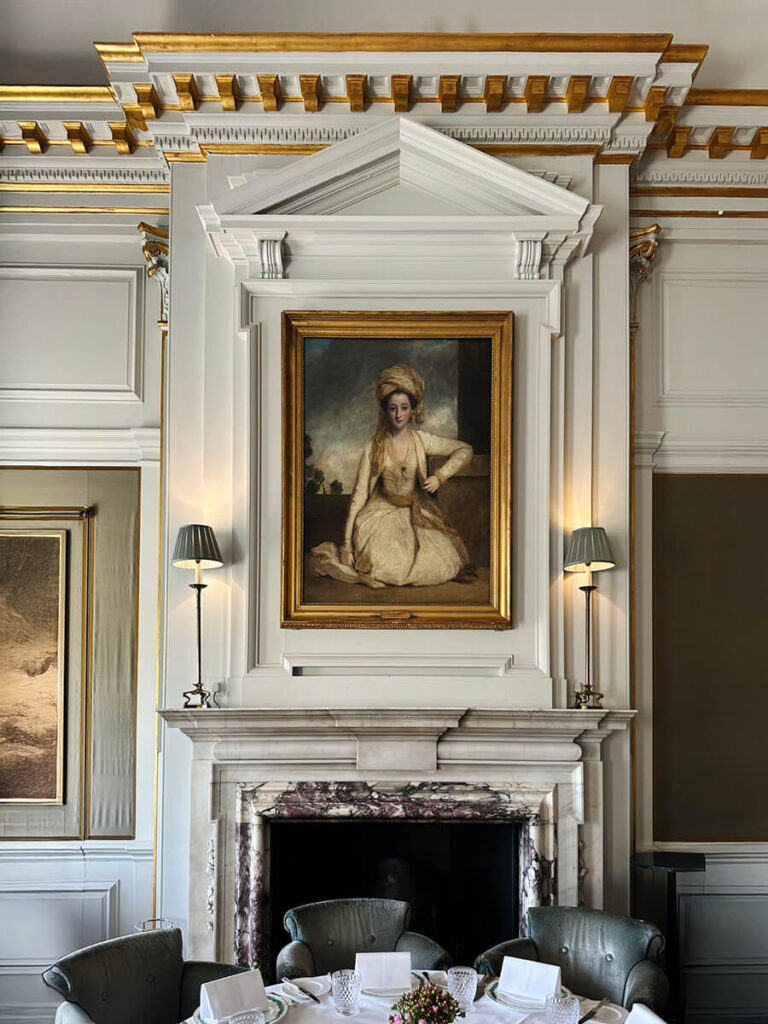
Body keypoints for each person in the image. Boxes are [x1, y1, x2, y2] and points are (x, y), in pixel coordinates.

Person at [310, 364, 476, 589]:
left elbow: (465, 450)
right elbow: (359, 496)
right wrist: (347, 545)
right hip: (381, 515)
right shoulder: (374, 445)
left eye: (404, 408)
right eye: (393, 408)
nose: (398, 414)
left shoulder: (421, 439)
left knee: (437, 565)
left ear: (413, 410)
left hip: (414, 512)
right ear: (385, 411)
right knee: (385, 565)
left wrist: (440, 476)